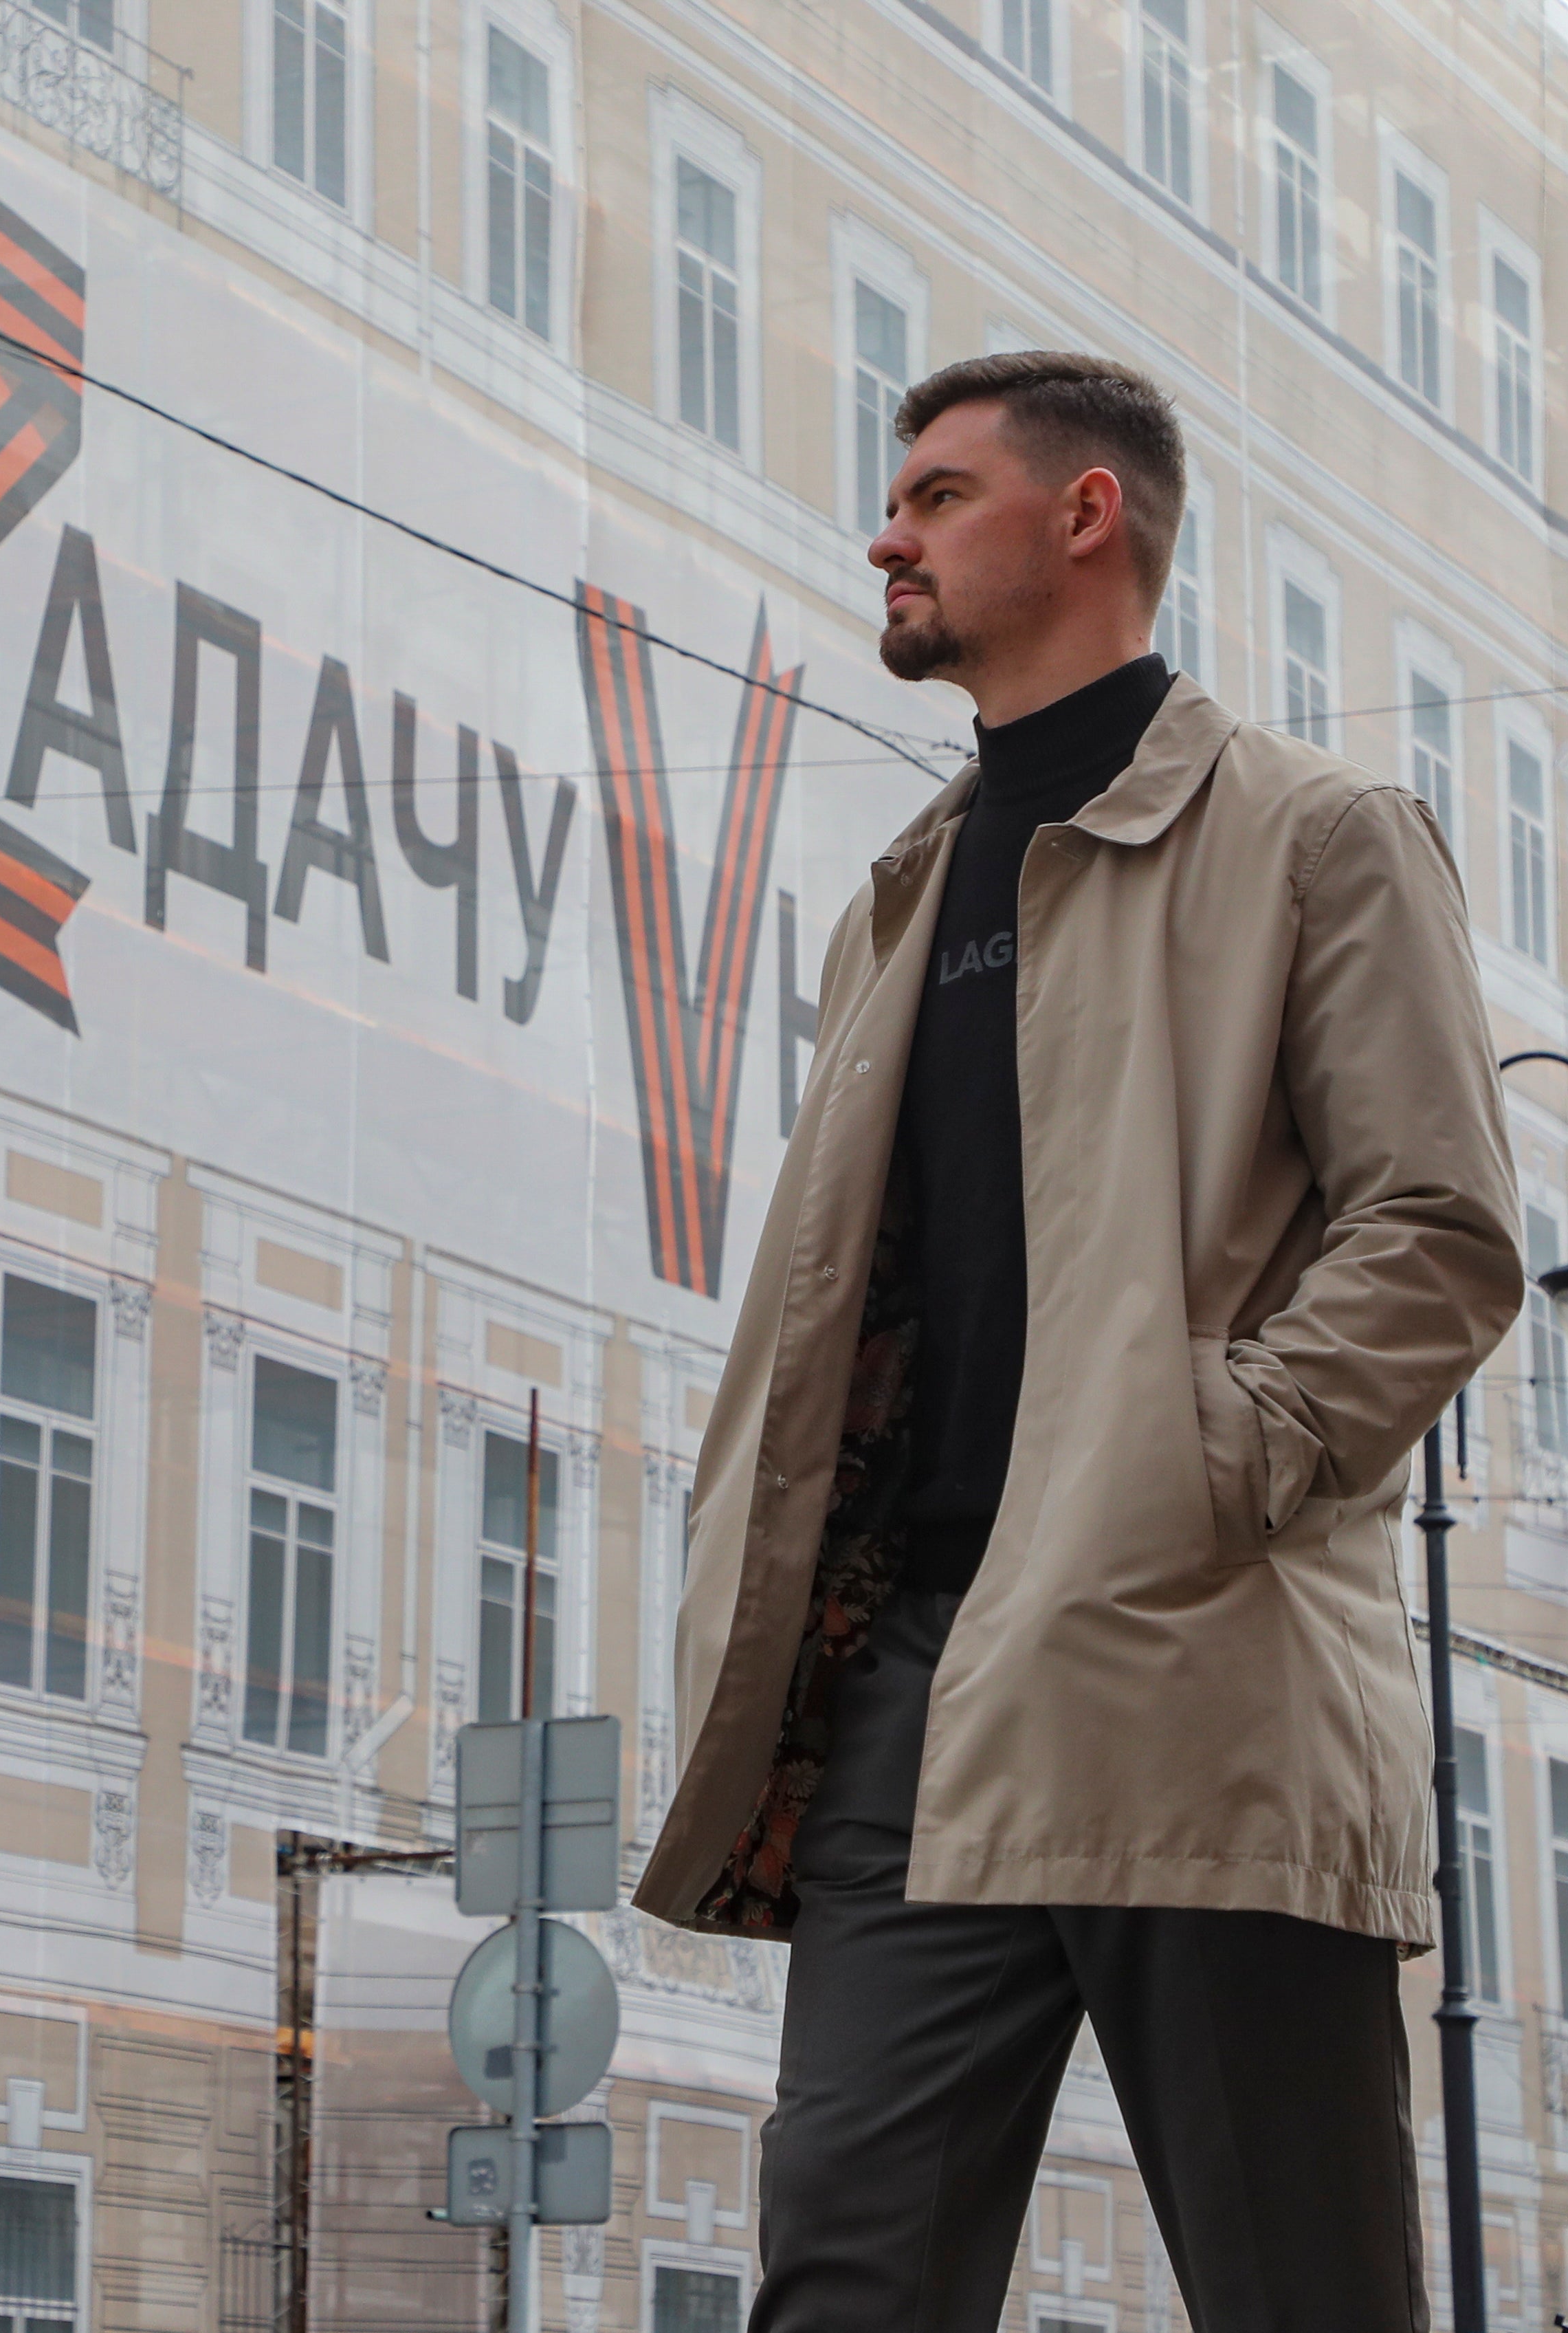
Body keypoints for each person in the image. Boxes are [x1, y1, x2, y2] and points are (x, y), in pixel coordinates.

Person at [630, 352, 1521, 2331]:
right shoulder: (902, 895)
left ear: (1086, 515)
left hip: (1190, 1663)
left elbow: (1442, 1234)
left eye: (938, 494)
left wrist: (1211, 1455)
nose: (887, 530)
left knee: (1300, 2290)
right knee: (840, 2276)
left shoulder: (1314, 835)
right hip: (909, 1704)